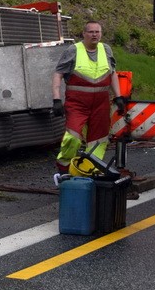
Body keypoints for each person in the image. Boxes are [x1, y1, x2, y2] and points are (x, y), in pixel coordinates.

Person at [51, 20, 127, 178]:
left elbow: (112, 73)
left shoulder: (106, 49)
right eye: (91, 32)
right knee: (72, 138)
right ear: (84, 34)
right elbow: (58, 73)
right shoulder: (73, 50)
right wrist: (56, 99)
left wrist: (118, 96)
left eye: (97, 32)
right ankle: (64, 170)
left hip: (101, 103)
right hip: (77, 103)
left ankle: (90, 171)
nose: (94, 35)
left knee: (99, 139)